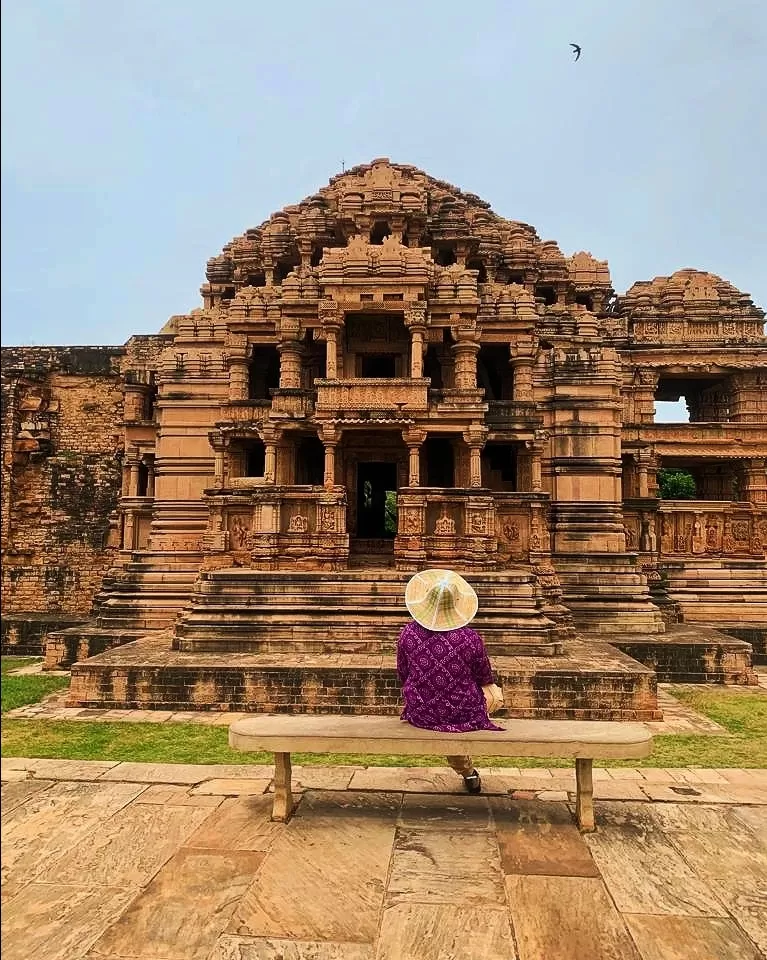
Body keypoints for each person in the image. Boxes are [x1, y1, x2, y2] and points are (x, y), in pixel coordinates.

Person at [397, 568, 503, 795]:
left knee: (440, 706)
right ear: (456, 603)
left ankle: (468, 771)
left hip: (421, 711)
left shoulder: (408, 634)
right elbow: (485, 677)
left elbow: (403, 674)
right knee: (494, 693)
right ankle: (468, 772)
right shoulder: (470, 638)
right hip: (463, 712)